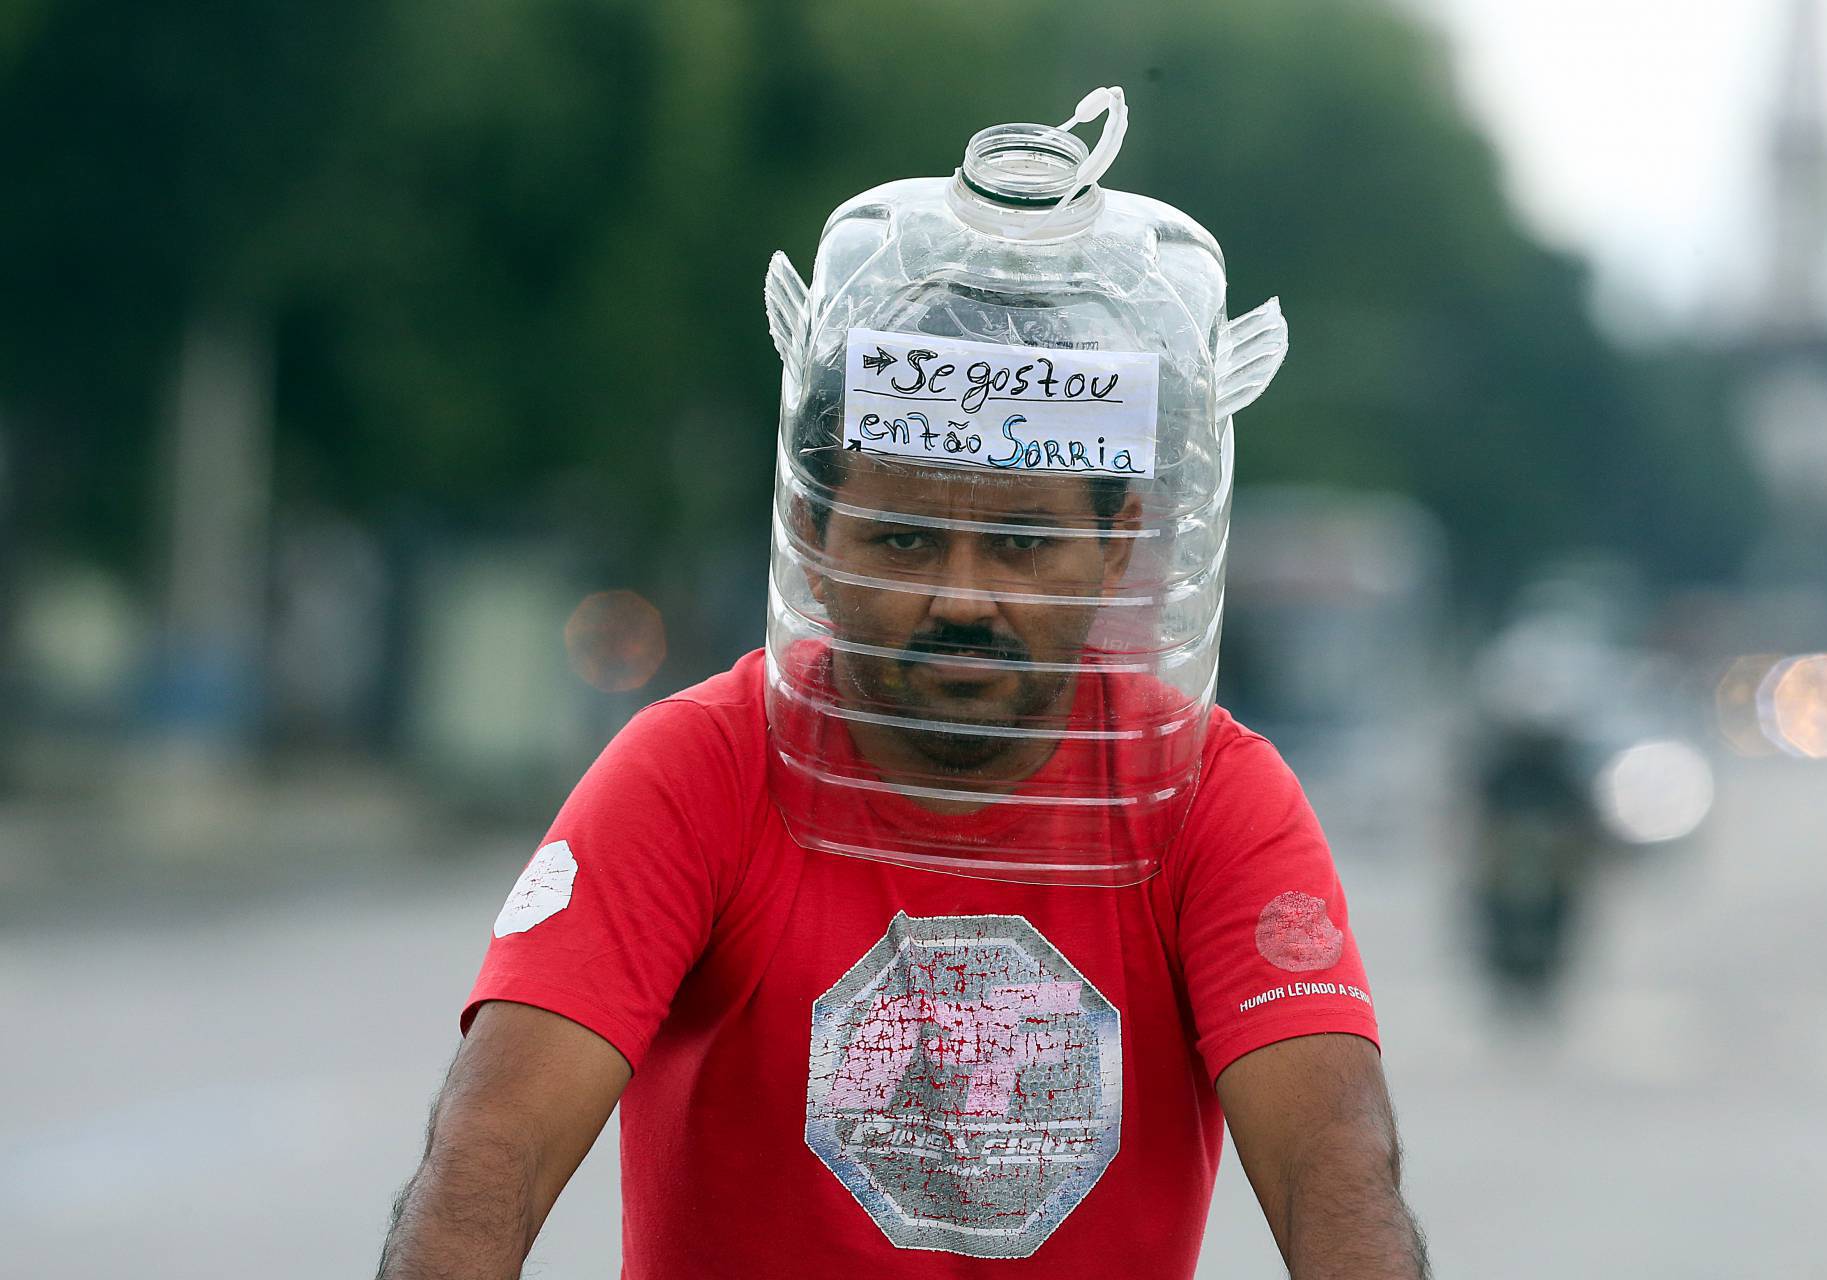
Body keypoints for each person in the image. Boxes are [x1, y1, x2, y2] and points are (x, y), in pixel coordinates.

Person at [379, 94, 1427, 1279]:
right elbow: (490, 1150)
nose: (965, 598)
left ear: (1121, 538)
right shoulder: (701, 769)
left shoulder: (1208, 795)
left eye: (1024, 544)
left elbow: (1332, 1166)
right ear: (816, 529)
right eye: (906, 538)